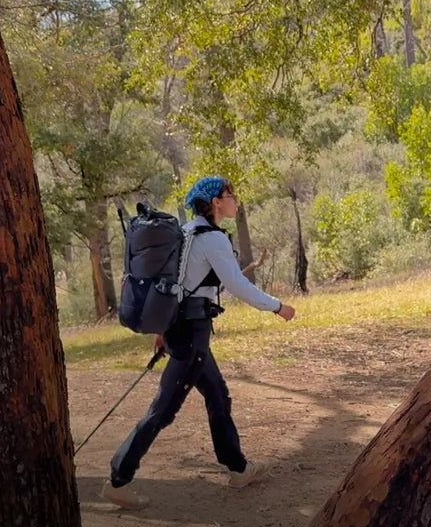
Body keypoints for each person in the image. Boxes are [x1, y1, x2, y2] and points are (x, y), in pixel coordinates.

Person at [102, 176, 298, 509]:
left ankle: (238, 469)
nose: (234, 198)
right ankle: (118, 479)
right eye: (229, 194)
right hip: (192, 334)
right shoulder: (213, 239)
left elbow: (175, 284)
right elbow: (237, 285)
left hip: (185, 330)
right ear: (215, 202)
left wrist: (163, 330)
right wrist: (278, 306)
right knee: (163, 410)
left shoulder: (186, 232)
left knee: (218, 396)